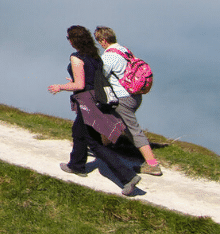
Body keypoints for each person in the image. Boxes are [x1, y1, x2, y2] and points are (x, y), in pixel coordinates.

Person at [50, 25, 142, 197]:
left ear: (73, 41)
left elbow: (80, 85)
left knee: (94, 143)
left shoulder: (76, 58)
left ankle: (128, 177)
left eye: (68, 38)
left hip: (87, 102)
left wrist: (60, 87)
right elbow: (92, 80)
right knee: (78, 132)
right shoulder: (94, 56)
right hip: (97, 100)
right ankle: (76, 165)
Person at [95, 26, 163, 176]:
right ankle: (106, 148)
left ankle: (152, 164)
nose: (99, 44)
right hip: (135, 95)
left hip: (122, 99)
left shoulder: (109, 57)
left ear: (103, 40)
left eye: (99, 41)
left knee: (132, 130)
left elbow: (99, 77)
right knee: (105, 117)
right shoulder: (124, 50)